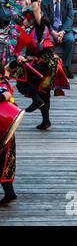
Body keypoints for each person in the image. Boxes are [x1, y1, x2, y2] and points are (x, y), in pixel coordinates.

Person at [7, 0, 69, 130]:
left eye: (27, 19)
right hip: (45, 62)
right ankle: (46, 121)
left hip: (48, 62)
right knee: (43, 90)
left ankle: (36, 100)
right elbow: (28, 52)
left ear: (32, 19)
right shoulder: (29, 32)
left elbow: (35, 9)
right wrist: (23, 58)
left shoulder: (40, 26)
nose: (24, 21)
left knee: (22, 81)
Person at [41, 0, 75, 79]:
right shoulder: (44, 1)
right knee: (48, 41)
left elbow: (69, 18)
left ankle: (66, 67)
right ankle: (52, 68)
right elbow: (44, 19)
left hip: (64, 29)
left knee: (70, 39)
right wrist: (52, 32)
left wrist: (62, 32)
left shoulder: (68, 1)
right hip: (50, 28)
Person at [0, 63, 18, 205]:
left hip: (3, 130)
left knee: (4, 163)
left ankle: (9, 193)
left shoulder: (3, 84)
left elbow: (6, 95)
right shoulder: (4, 78)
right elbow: (7, 69)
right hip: (5, 128)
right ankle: (9, 193)